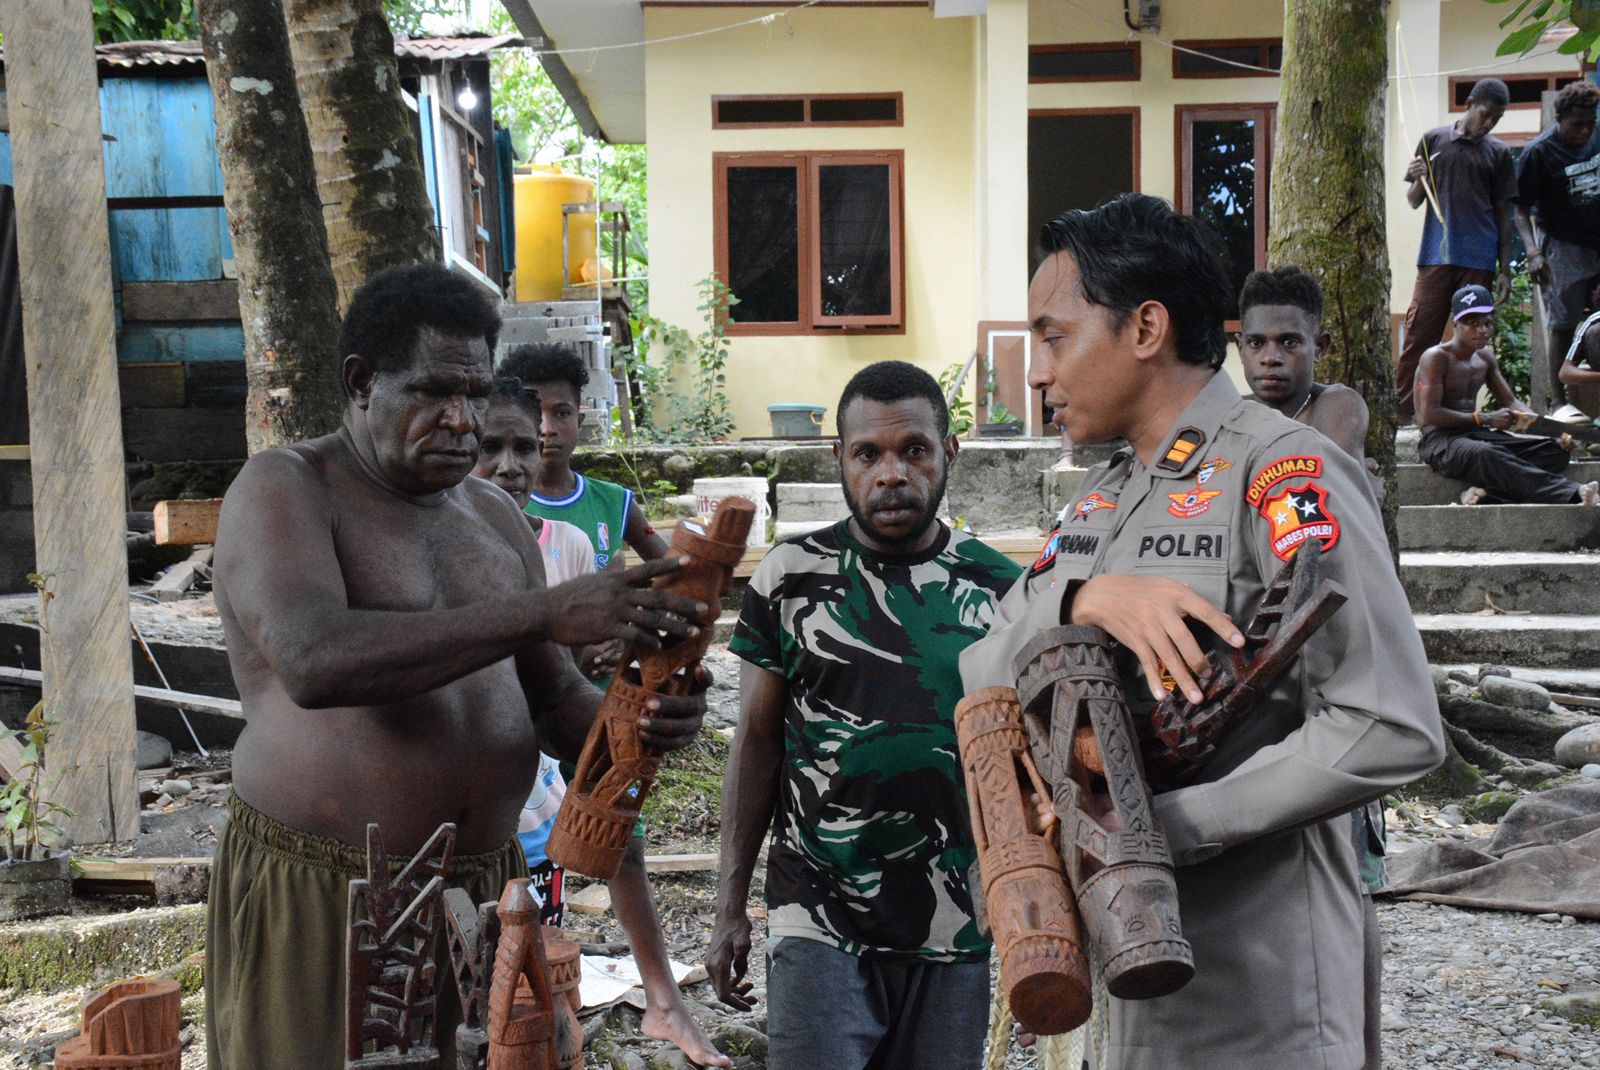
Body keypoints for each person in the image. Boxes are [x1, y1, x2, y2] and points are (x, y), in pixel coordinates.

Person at [962, 194, 1445, 1070]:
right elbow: (982, 672)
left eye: (1055, 337)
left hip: (1258, 995)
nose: (1036, 372)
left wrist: (1157, 830)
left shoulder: (1285, 473)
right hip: (1120, 995)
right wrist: (1081, 600)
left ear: (1146, 328)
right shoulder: (1101, 499)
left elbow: (1390, 723)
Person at [206, 262, 711, 1070]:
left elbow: (552, 701)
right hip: (329, 889)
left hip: (488, 893)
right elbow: (313, 661)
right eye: (435, 391)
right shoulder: (287, 488)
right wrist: (545, 610)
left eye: (476, 393)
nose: (463, 420)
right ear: (361, 382)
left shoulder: (495, 518)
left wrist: (638, 715)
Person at [707, 361, 1022, 1070]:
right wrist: (729, 907)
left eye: (914, 450)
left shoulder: (1002, 591)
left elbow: (1025, 766)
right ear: (839, 459)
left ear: (950, 453)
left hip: (955, 921)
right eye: (868, 454)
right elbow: (755, 744)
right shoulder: (790, 577)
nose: (891, 474)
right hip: (818, 912)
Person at [467, 375, 731, 1067]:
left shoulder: (573, 538)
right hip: (473, 796)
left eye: (525, 445)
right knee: (476, 978)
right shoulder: (440, 551)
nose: (511, 464)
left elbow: (562, 679)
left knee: (535, 961)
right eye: (490, 447)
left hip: (545, 770)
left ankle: (651, 1004)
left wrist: (641, 693)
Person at [1238, 264, 1387, 1070]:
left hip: (1337, 668)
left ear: (1317, 345)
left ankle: (1363, 1051)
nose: (1271, 358)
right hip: (1261, 672)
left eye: (1288, 343)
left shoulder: (1331, 411)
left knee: (1350, 881)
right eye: (1257, 343)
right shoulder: (1229, 427)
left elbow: (1318, 486)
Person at [1396, 78, 1514, 421]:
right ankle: (1404, 414)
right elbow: (1414, 200)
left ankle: (1457, 414)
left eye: (1496, 119)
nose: (1489, 123)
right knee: (1419, 335)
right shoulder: (1433, 140)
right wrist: (1418, 177)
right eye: (1486, 114)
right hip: (1435, 256)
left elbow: (1503, 214)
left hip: (1479, 259)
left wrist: (1505, 269)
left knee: (1471, 340)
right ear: (1470, 104)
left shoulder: (1499, 153)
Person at [1416, 284, 1598, 506]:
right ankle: (1573, 492)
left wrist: (1549, 432)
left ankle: (1485, 494)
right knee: (1485, 453)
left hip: (1475, 434)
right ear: (1456, 324)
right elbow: (1430, 414)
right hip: (1440, 442)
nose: (1482, 330)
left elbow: (1510, 401)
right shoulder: (1435, 357)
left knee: (1555, 452)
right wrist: (1484, 418)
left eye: (1486, 323)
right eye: (1473, 324)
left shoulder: (1484, 357)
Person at [1514, 80, 1600, 410]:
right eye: (1577, 124)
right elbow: (1520, 211)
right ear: (1560, 118)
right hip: (1563, 248)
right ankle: (1559, 403)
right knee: (1563, 324)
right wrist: (1533, 252)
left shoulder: (1597, 135)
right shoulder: (1539, 152)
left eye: (1590, 123)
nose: (1584, 131)